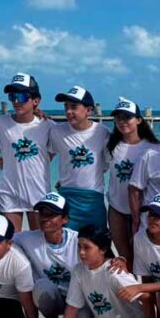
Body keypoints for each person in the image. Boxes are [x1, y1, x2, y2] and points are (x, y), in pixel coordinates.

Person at [11, 192, 90, 318]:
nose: (45, 218)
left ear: (65, 219)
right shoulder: (28, 238)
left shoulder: (78, 240)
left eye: (51, 214)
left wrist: (119, 259)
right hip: (53, 298)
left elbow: (101, 255)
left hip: (77, 298)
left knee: (84, 317)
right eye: (42, 213)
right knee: (40, 287)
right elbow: (2, 237)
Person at [61, 226, 143, 318]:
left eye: (87, 248)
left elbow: (145, 297)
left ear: (103, 250)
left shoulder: (114, 271)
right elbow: (72, 308)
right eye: (79, 247)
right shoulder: (78, 271)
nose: (81, 252)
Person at [0, 72, 52, 232]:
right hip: (9, 192)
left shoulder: (48, 126)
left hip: (39, 192)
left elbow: (59, 149)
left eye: (22, 97)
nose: (16, 101)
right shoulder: (0, 123)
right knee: (11, 243)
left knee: (39, 243)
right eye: (12, 96)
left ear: (36, 101)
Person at [49, 85, 109, 233]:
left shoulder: (102, 132)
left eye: (74, 107)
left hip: (93, 199)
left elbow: (108, 164)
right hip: (67, 197)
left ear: (89, 110)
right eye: (66, 107)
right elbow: (45, 157)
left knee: (97, 246)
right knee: (68, 246)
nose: (69, 112)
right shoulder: (57, 131)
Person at [106, 97, 157, 267]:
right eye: (119, 118)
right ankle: (132, 291)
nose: (122, 122)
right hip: (117, 209)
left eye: (127, 117)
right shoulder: (110, 146)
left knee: (145, 259)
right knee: (125, 258)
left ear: (139, 120)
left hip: (144, 211)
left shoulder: (152, 147)